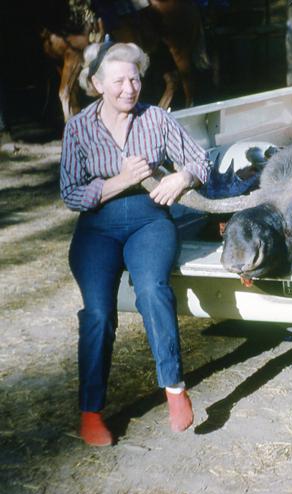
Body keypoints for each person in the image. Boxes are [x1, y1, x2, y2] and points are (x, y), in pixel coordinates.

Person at [60, 40, 210, 446]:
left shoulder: (155, 119)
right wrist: (122, 180)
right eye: (118, 81)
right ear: (96, 84)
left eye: (135, 79)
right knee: (98, 313)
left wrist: (182, 178)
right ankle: (91, 412)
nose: (129, 88)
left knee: (152, 291)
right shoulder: (79, 128)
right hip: (98, 227)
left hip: (149, 221)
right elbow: (71, 193)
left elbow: (201, 161)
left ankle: (174, 389)